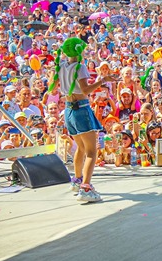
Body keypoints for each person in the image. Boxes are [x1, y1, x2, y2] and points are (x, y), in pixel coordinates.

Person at [48, 37, 119, 203]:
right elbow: (86, 90)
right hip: (81, 109)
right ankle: (86, 187)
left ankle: (77, 180)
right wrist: (103, 81)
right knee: (92, 152)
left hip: (68, 110)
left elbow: (53, 87)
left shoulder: (61, 66)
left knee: (80, 147)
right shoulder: (80, 67)